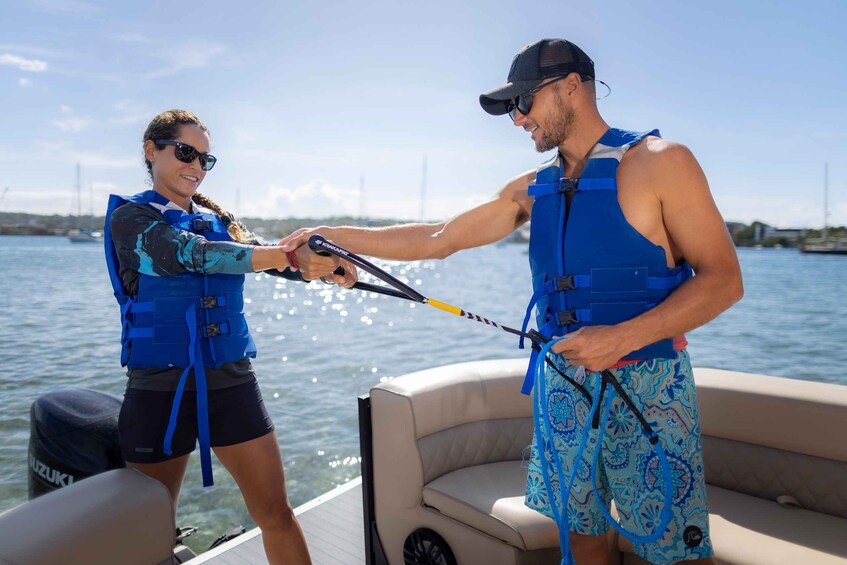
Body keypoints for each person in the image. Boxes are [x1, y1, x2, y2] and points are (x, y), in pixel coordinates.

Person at [280, 39, 742, 564]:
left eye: (524, 102)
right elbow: (439, 238)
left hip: (649, 387)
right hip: (564, 385)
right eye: (511, 109)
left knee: (675, 552)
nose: (518, 119)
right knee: (580, 535)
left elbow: (724, 280)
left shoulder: (664, 162)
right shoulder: (531, 189)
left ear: (572, 85)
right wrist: (330, 236)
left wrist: (621, 337)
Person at [104, 109, 357, 565]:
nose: (197, 167)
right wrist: (282, 254)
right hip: (160, 388)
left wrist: (319, 265)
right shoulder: (130, 220)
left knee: (276, 512)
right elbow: (192, 255)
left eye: (206, 159)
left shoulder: (221, 218)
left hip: (231, 381)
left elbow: (267, 257)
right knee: (148, 531)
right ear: (151, 151)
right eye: (186, 153)